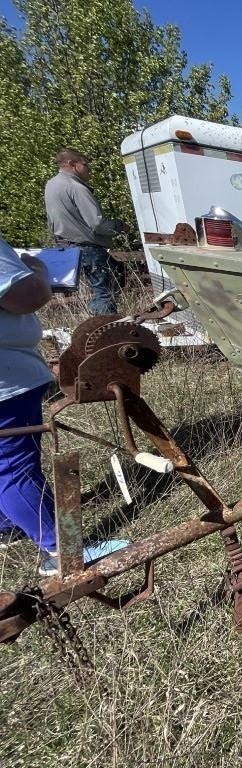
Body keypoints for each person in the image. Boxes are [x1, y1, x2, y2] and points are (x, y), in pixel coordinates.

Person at [0, 232, 127, 575]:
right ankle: (63, 552)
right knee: (14, 469)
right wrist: (38, 270)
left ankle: (10, 522)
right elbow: (25, 295)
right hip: (5, 384)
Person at [44, 148, 129, 315]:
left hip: (66, 247)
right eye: (85, 164)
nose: (89, 168)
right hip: (88, 247)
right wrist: (120, 226)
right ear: (72, 164)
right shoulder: (76, 188)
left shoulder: (52, 185)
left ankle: (95, 324)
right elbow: (97, 223)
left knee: (100, 288)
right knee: (107, 289)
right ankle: (106, 331)